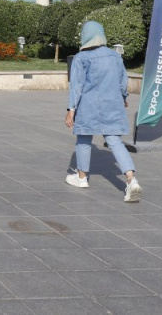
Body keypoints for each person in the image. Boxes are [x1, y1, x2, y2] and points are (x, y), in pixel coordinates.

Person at [65, 20, 142, 202]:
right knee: (115, 141)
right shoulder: (115, 57)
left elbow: (76, 86)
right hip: (112, 104)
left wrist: (71, 109)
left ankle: (82, 178)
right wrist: (124, 97)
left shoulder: (81, 58)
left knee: (84, 139)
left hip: (88, 106)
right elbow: (123, 81)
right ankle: (131, 179)